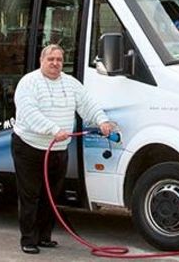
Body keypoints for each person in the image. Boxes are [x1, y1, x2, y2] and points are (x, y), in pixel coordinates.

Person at [11, 44, 116, 254]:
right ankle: (28, 240)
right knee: (30, 195)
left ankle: (44, 237)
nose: (55, 63)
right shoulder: (28, 83)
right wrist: (53, 129)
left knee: (51, 195)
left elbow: (88, 105)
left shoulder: (71, 84)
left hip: (59, 149)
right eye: (51, 59)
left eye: (59, 59)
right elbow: (29, 113)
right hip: (29, 148)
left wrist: (102, 121)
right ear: (42, 60)